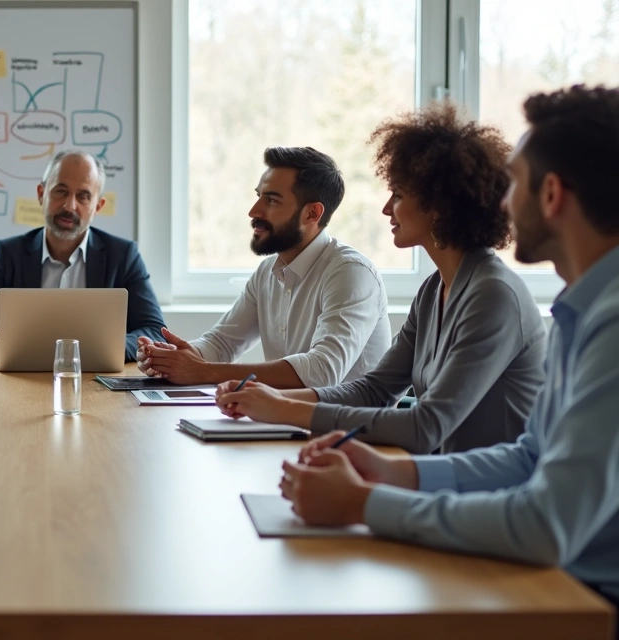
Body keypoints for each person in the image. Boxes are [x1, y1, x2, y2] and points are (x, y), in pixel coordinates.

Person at [266, 85, 619, 624]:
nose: (502, 201)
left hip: (582, 598)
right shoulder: (581, 307)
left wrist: (363, 503)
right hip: (544, 566)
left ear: (551, 195)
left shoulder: (601, 322)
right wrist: (389, 473)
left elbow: (546, 525)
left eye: (515, 185)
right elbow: (529, 457)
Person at [214, 103, 547, 454]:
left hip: (487, 496)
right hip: (440, 482)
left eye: (399, 195)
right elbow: (374, 390)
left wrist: (285, 408)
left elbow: (426, 428)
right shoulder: (435, 288)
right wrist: (264, 397)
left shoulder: (493, 295)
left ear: (441, 206)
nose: (387, 208)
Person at [138, 147, 391, 388]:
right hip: (289, 420)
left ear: (312, 214)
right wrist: (175, 358)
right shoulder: (268, 271)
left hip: (349, 430)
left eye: (271, 200)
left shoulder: (351, 272)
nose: (253, 211)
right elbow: (223, 343)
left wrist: (202, 371)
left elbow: (322, 371)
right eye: (258, 196)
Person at [0, 150, 165, 363]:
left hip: (97, 383)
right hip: (21, 383)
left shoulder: (124, 256)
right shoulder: (8, 254)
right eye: (60, 191)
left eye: (83, 196)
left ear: (97, 207)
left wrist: (104, 347)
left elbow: (155, 331)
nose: (69, 206)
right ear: (41, 194)